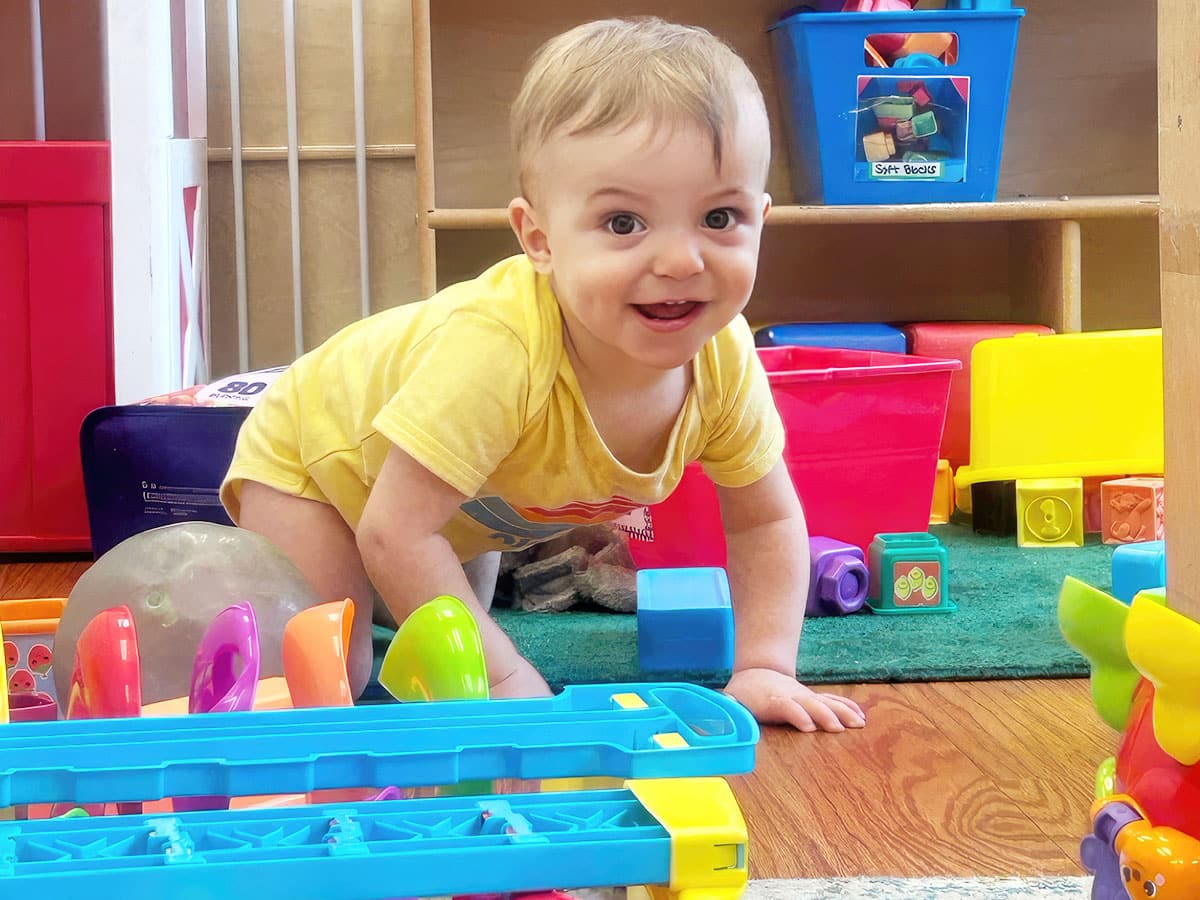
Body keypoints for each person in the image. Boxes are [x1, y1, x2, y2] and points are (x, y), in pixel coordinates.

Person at [221, 16, 866, 733]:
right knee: (333, 676)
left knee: (428, 604)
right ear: (539, 239)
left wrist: (766, 667)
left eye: (721, 216)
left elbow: (765, 518)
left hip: (452, 513)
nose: (683, 261)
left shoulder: (723, 356)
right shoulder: (500, 350)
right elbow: (394, 533)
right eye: (624, 224)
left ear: (762, 218)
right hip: (315, 468)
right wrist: (504, 678)